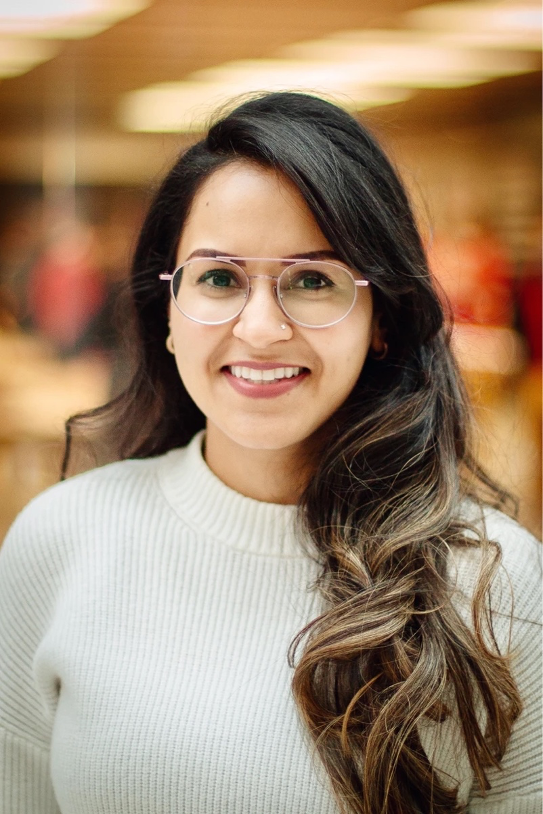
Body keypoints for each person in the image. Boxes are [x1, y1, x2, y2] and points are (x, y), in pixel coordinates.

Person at [0, 92, 540, 814]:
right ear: (167, 312)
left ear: (380, 318)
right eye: (219, 278)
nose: (258, 328)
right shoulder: (59, 538)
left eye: (312, 281)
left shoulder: (493, 581)